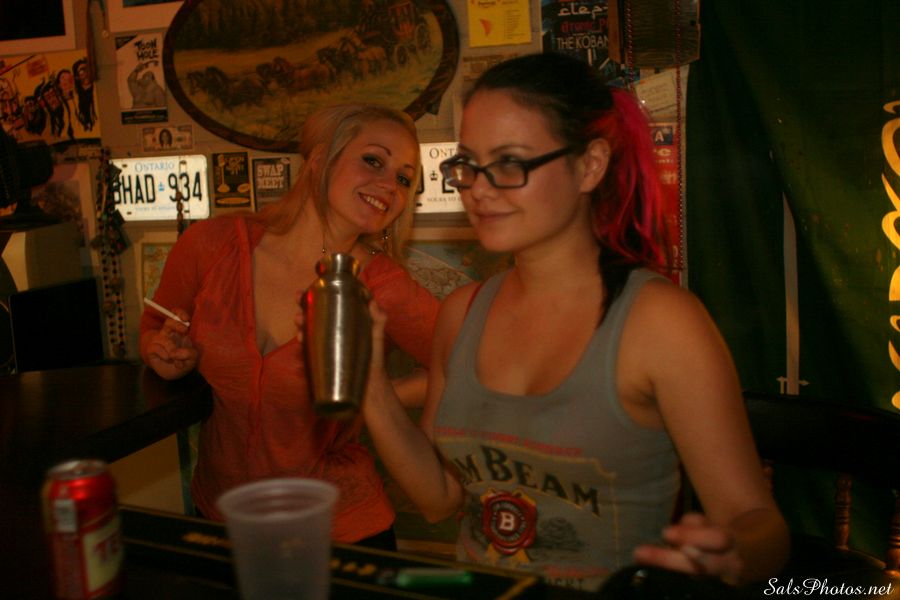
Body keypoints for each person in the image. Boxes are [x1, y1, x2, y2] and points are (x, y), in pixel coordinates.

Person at [356, 53, 790, 591]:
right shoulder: (461, 313)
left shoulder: (659, 323)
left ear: (590, 165)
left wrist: (730, 552)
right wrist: (369, 385)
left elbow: (758, 523)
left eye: (509, 162)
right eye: (467, 163)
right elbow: (440, 498)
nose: (478, 189)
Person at [140, 103, 439, 550]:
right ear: (319, 158)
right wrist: (161, 353)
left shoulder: (383, 286)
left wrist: (377, 397)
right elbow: (154, 325)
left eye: (403, 178)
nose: (389, 185)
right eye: (373, 160)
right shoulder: (211, 245)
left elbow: (463, 370)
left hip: (340, 535)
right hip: (224, 523)